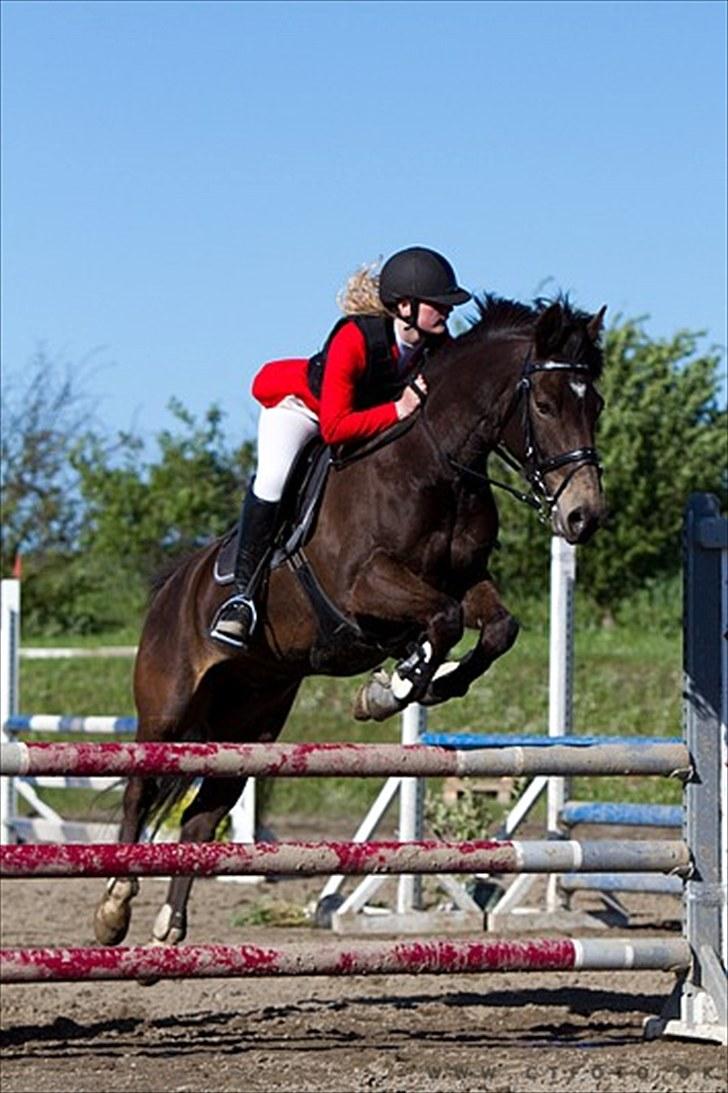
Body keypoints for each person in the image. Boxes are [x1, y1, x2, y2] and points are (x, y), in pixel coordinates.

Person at [210, 246, 471, 647]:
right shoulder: (354, 338)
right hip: (304, 410)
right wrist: (399, 409)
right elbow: (334, 429)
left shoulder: (435, 344)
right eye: (437, 303)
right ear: (405, 307)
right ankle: (241, 599)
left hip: (362, 417)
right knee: (273, 481)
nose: (447, 310)